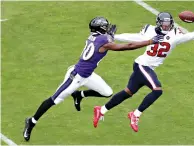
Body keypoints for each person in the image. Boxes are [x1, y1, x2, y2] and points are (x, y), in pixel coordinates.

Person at [23, 16, 163, 141]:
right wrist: (149, 41)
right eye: (105, 27)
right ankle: (32, 121)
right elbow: (127, 46)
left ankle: (79, 95)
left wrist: (110, 36)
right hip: (76, 76)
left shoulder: (94, 37)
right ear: (101, 29)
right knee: (55, 99)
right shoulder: (104, 40)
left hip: (88, 75)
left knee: (107, 92)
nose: (108, 29)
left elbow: (105, 41)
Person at [93, 12, 194, 132]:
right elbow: (133, 37)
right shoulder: (150, 31)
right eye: (164, 24)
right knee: (157, 90)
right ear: (159, 23)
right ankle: (135, 114)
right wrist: (113, 37)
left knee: (128, 92)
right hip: (142, 65)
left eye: (168, 23)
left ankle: (102, 110)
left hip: (147, 67)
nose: (166, 26)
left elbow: (187, 36)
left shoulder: (175, 34)